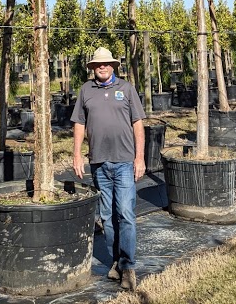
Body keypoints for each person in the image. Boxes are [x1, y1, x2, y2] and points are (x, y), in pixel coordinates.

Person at [71, 46, 146, 292]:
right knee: (107, 218)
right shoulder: (86, 90)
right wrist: (77, 154)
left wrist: (140, 158)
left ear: (113, 66)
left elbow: (138, 124)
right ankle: (115, 262)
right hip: (99, 163)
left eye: (106, 63)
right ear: (93, 67)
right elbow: (79, 124)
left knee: (125, 213)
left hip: (124, 161)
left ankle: (128, 267)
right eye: (98, 64)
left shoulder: (126, 89)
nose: (102, 67)